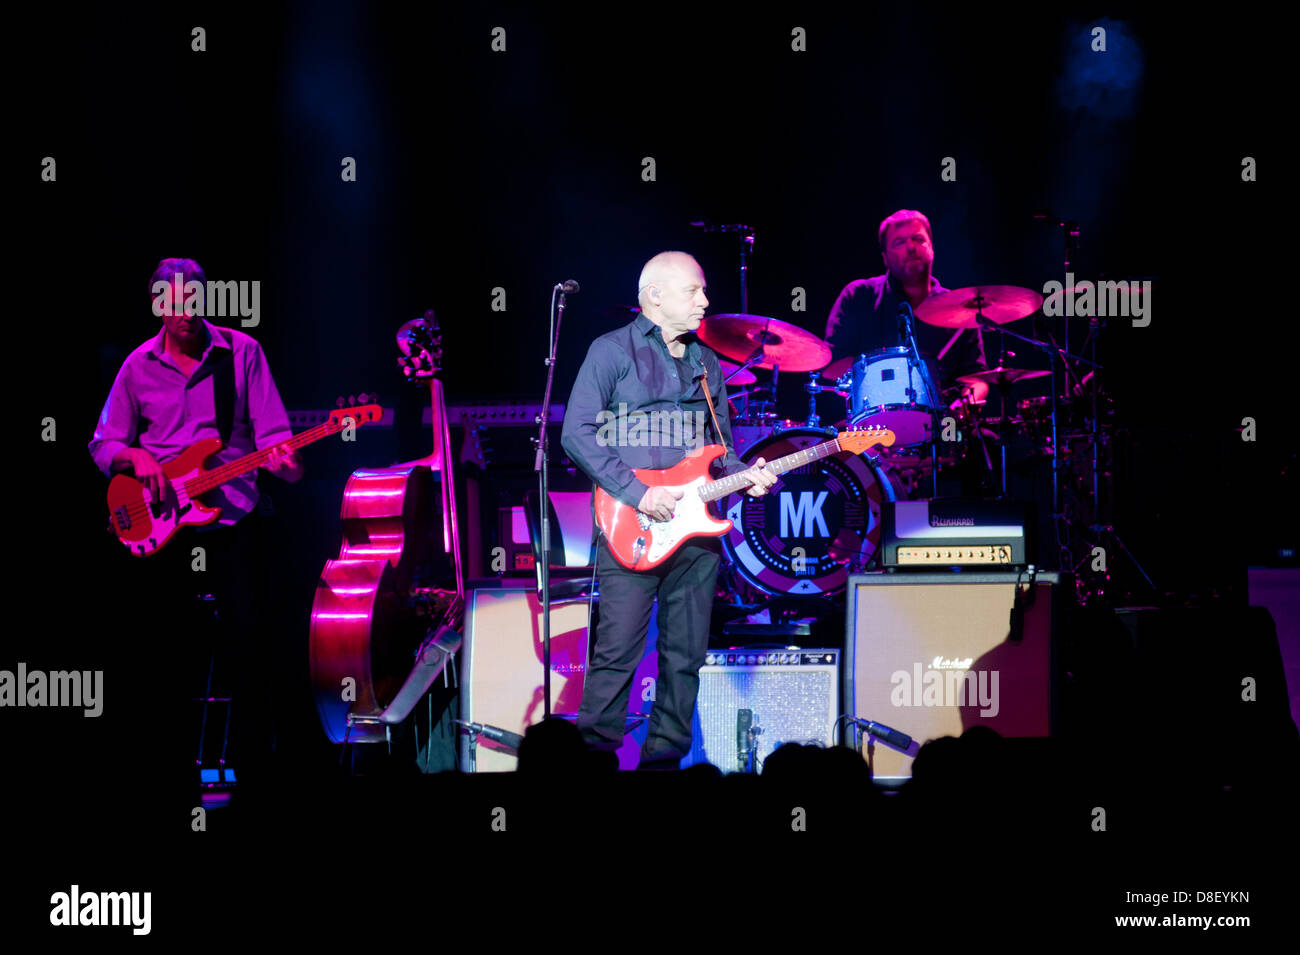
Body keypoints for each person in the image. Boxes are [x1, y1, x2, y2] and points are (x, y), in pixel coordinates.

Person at [89, 257, 302, 791]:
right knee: (163, 653)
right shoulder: (137, 367)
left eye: (195, 301)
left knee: (249, 648)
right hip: (161, 526)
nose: (186, 313)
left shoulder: (242, 353)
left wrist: (285, 459)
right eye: (174, 303)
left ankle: (254, 775)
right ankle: (166, 773)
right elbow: (102, 443)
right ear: (158, 305)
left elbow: (275, 435)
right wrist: (136, 459)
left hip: (232, 517)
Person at [561, 251, 777, 769]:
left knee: (685, 658)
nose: (705, 301)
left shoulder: (708, 363)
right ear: (655, 296)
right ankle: (593, 763)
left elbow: (719, 449)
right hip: (631, 525)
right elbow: (576, 434)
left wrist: (747, 475)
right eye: (694, 291)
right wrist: (639, 493)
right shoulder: (611, 351)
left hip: (696, 534)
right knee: (617, 654)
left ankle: (664, 764)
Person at [825, 208, 986, 389]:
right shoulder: (858, 296)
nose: (911, 247)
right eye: (899, 243)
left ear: (932, 248)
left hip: (945, 417)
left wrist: (959, 410)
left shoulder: (962, 309)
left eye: (918, 239)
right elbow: (832, 363)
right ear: (885, 258)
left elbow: (977, 380)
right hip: (875, 415)